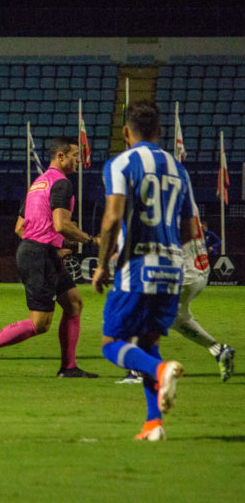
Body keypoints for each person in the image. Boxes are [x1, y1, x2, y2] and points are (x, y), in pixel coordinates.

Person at [91, 100, 195, 441]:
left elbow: (113, 217)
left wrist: (103, 264)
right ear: (160, 132)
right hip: (172, 268)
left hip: (135, 267)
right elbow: (190, 228)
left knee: (111, 342)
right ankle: (154, 425)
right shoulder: (179, 169)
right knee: (147, 342)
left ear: (125, 132)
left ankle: (161, 371)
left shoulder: (121, 163)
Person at [0, 136, 99, 378]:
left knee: (74, 303)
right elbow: (61, 225)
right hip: (40, 256)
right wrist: (89, 239)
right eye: (75, 156)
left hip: (38, 251)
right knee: (40, 323)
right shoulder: (62, 184)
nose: (79, 160)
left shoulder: (37, 184)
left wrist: (51, 244)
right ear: (61, 157)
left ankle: (69, 367)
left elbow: (20, 227)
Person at [117, 208, 235, 385]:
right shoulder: (183, 195)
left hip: (183, 273)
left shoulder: (165, 200)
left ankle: (139, 371)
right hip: (199, 270)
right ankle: (218, 349)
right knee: (177, 319)